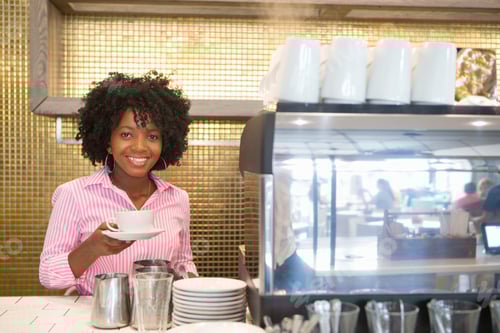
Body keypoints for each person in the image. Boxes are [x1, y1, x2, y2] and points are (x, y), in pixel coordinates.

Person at [39, 71, 197, 295]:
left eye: (152, 136)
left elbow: (183, 264)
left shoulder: (178, 198)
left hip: (156, 318)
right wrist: (92, 248)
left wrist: (196, 290)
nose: (140, 147)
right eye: (126, 134)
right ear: (107, 140)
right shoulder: (74, 194)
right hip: (100, 317)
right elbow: (48, 275)